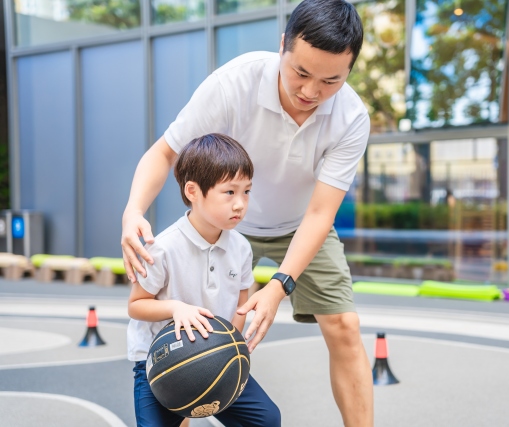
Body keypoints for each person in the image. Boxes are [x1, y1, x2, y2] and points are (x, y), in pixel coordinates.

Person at [122, 0, 373, 425]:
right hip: (224, 224)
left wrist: (279, 286)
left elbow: (319, 213)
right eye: (300, 72)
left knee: (345, 327)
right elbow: (165, 152)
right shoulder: (232, 84)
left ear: (349, 71)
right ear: (282, 46)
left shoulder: (351, 117)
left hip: (300, 225)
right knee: (196, 344)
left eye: (331, 80)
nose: (311, 91)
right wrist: (133, 211)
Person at [127, 134, 281, 427]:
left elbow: (240, 302)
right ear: (193, 191)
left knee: (266, 420)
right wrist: (176, 308)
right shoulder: (164, 248)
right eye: (229, 192)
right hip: (162, 362)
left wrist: (234, 352)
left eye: (246, 191)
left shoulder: (241, 247)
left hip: (215, 357)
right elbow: (136, 305)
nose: (240, 204)